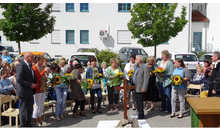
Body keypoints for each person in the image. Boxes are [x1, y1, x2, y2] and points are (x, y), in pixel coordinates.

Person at [16, 52, 37, 127]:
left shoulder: (30, 65)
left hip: (30, 91)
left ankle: (29, 123)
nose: (33, 58)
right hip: (23, 91)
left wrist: (34, 83)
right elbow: (19, 79)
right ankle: (23, 125)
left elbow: (31, 77)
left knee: (29, 109)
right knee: (23, 109)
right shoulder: (21, 66)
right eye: (32, 56)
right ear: (27, 57)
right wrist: (30, 84)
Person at [32, 56, 50, 126]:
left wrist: (47, 76)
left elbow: (43, 76)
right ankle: (35, 120)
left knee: (41, 105)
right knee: (37, 105)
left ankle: (40, 118)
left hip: (43, 87)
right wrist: (44, 71)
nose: (43, 62)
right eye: (42, 60)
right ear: (38, 60)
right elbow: (38, 78)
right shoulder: (34, 68)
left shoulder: (42, 67)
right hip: (38, 88)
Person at [132, 55, 150, 119]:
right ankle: (138, 112)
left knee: (140, 102)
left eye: (136, 59)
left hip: (140, 87)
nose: (135, 60)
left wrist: (144, 87)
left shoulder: (145, 67)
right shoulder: (136, 66)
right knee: (137, 101)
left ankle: (141, 115)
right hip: (135, 87)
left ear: (140, 60)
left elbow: (146, 78)